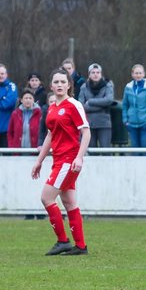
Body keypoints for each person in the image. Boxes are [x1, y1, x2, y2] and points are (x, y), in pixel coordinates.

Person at [31, 71, 92, 255]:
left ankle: (62, 241)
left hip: (69, 160)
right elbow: (50, 135)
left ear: (68, 85)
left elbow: (86, 133)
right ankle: (80, 246)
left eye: (62, 82)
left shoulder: (74, 105)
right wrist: (39, 161)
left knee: (46, 197)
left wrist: (79, 157)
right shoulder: (52, 107)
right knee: (69, 202)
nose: (59, 84)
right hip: (58, 159)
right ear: (51, 86)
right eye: (55, 81)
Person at [77, 63, 115, 149]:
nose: (95, 74)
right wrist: (101, 106)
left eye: (98, 72)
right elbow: (81, 106)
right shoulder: (84, 87)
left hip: (104, 123)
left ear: (101, 74)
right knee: (91, 150)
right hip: (89, 123)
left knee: (105, 150)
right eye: (93, 72)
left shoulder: (108, 85)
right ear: (89, 74)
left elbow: (109, 100)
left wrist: (90, 101)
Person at [122, 64, 146, 148]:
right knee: (135, 152)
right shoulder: (128, 87)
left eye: (140, 73)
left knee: (145, 152)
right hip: (132, 124)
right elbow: (125, 105)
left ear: (144, 74)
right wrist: (125, 120)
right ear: (132, 74)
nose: (138, 75)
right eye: (136, 73)